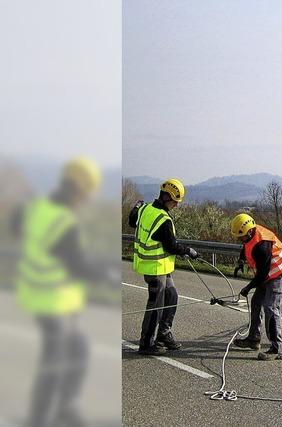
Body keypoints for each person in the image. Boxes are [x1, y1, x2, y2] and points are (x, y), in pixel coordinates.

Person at [13, 157, 114, 427]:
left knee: (76, 352)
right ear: (78, 188)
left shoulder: (37, 208)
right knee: (55, 363)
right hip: (52, 300)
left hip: (36, 294)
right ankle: (41, 416)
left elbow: (17, 228)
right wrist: (106, 276)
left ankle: (62, 408)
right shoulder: (63, 222)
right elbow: (78, 265)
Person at [128, 178, 199, 356]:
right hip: (155, 269)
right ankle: (146, 343)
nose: (176, 205)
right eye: (175, 201)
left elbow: (131, 221)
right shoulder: (163, 220)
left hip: (160, 267)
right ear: (167, 197)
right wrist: (189, 251)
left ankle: (164, 334)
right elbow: (172, 246)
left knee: (172, 296)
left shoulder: (145, 209)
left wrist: (136, 206)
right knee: (155, 308)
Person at [231, 213, 282, 361]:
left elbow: (262, 276)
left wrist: (248, 287)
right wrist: (241, 261)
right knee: (256, 302)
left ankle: (277, 348)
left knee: (271, 307)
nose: (240, 240)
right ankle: (253, 339)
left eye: (242, 236)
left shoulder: (262, 244)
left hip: (280, 272)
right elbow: (246, 245)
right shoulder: (251, 232)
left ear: (250, 231)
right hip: (268, 274)